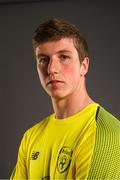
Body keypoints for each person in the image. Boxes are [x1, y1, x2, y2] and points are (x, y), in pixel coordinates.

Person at [10, 18, 120, 179]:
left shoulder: (107, 134)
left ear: (84, 65)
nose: (51, 69)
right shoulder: (31, 137)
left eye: (63, 57)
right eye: (43, 59)